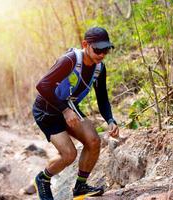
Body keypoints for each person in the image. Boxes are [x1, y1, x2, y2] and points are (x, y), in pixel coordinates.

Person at [32, 27, 119, 200]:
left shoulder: (99, 68)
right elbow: (42, 86)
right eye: (98, 49)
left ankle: (80, 187)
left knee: (94, 141)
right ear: (85, 44)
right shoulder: (69, 61)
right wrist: (64, 110)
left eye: (106, 50)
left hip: (69, 108)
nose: (102, 54)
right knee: (69, 154)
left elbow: (102, 98)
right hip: (47, 111)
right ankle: (43, 179)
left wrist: (110, 119)